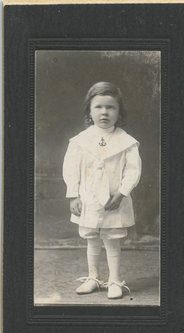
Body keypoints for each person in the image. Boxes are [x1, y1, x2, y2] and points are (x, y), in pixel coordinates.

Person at [62, 81, 141, 299]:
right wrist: (73, 195)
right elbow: (71, 168)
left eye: (110, 107)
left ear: (119, 111)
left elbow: (133, 171)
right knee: (91, 238)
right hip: (88, 199)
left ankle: (114, 280)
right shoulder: (80, 141)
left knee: (112, 238)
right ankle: (93, 277)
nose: (104, 112)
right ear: (89, 110)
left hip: (114, 200)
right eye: (98, 107)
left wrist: (123, 192)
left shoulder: (127, 142)